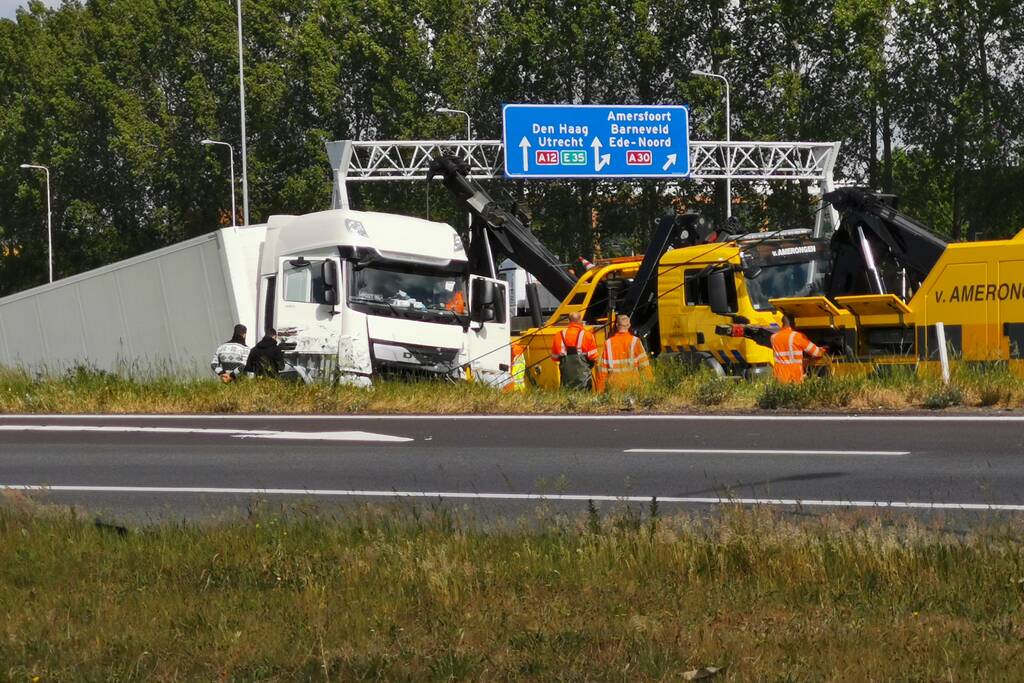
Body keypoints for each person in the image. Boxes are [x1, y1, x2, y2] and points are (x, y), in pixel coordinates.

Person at [596, 314, 653, 392]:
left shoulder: (608, 343)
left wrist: (600, 390)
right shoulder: (635, 341)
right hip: (633, 384)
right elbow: (644, 365)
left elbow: (603, 370)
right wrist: (649, 385)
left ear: (616, 325)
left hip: (615, 387)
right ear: (629, 325)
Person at [770, 314, 827, 384]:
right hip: (794, 375)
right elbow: (816, 352)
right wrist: (824, 349)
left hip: (779, 374)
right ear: (792, 323)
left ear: (782, 323)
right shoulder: (797, 336)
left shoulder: (773, 337)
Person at [550, 311, 598, 389]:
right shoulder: (588, 335)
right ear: (580, 320)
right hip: (583, 381)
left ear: (569, 321)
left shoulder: (558, 335)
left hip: (566, 380)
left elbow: (554, 357)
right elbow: (594, 357)